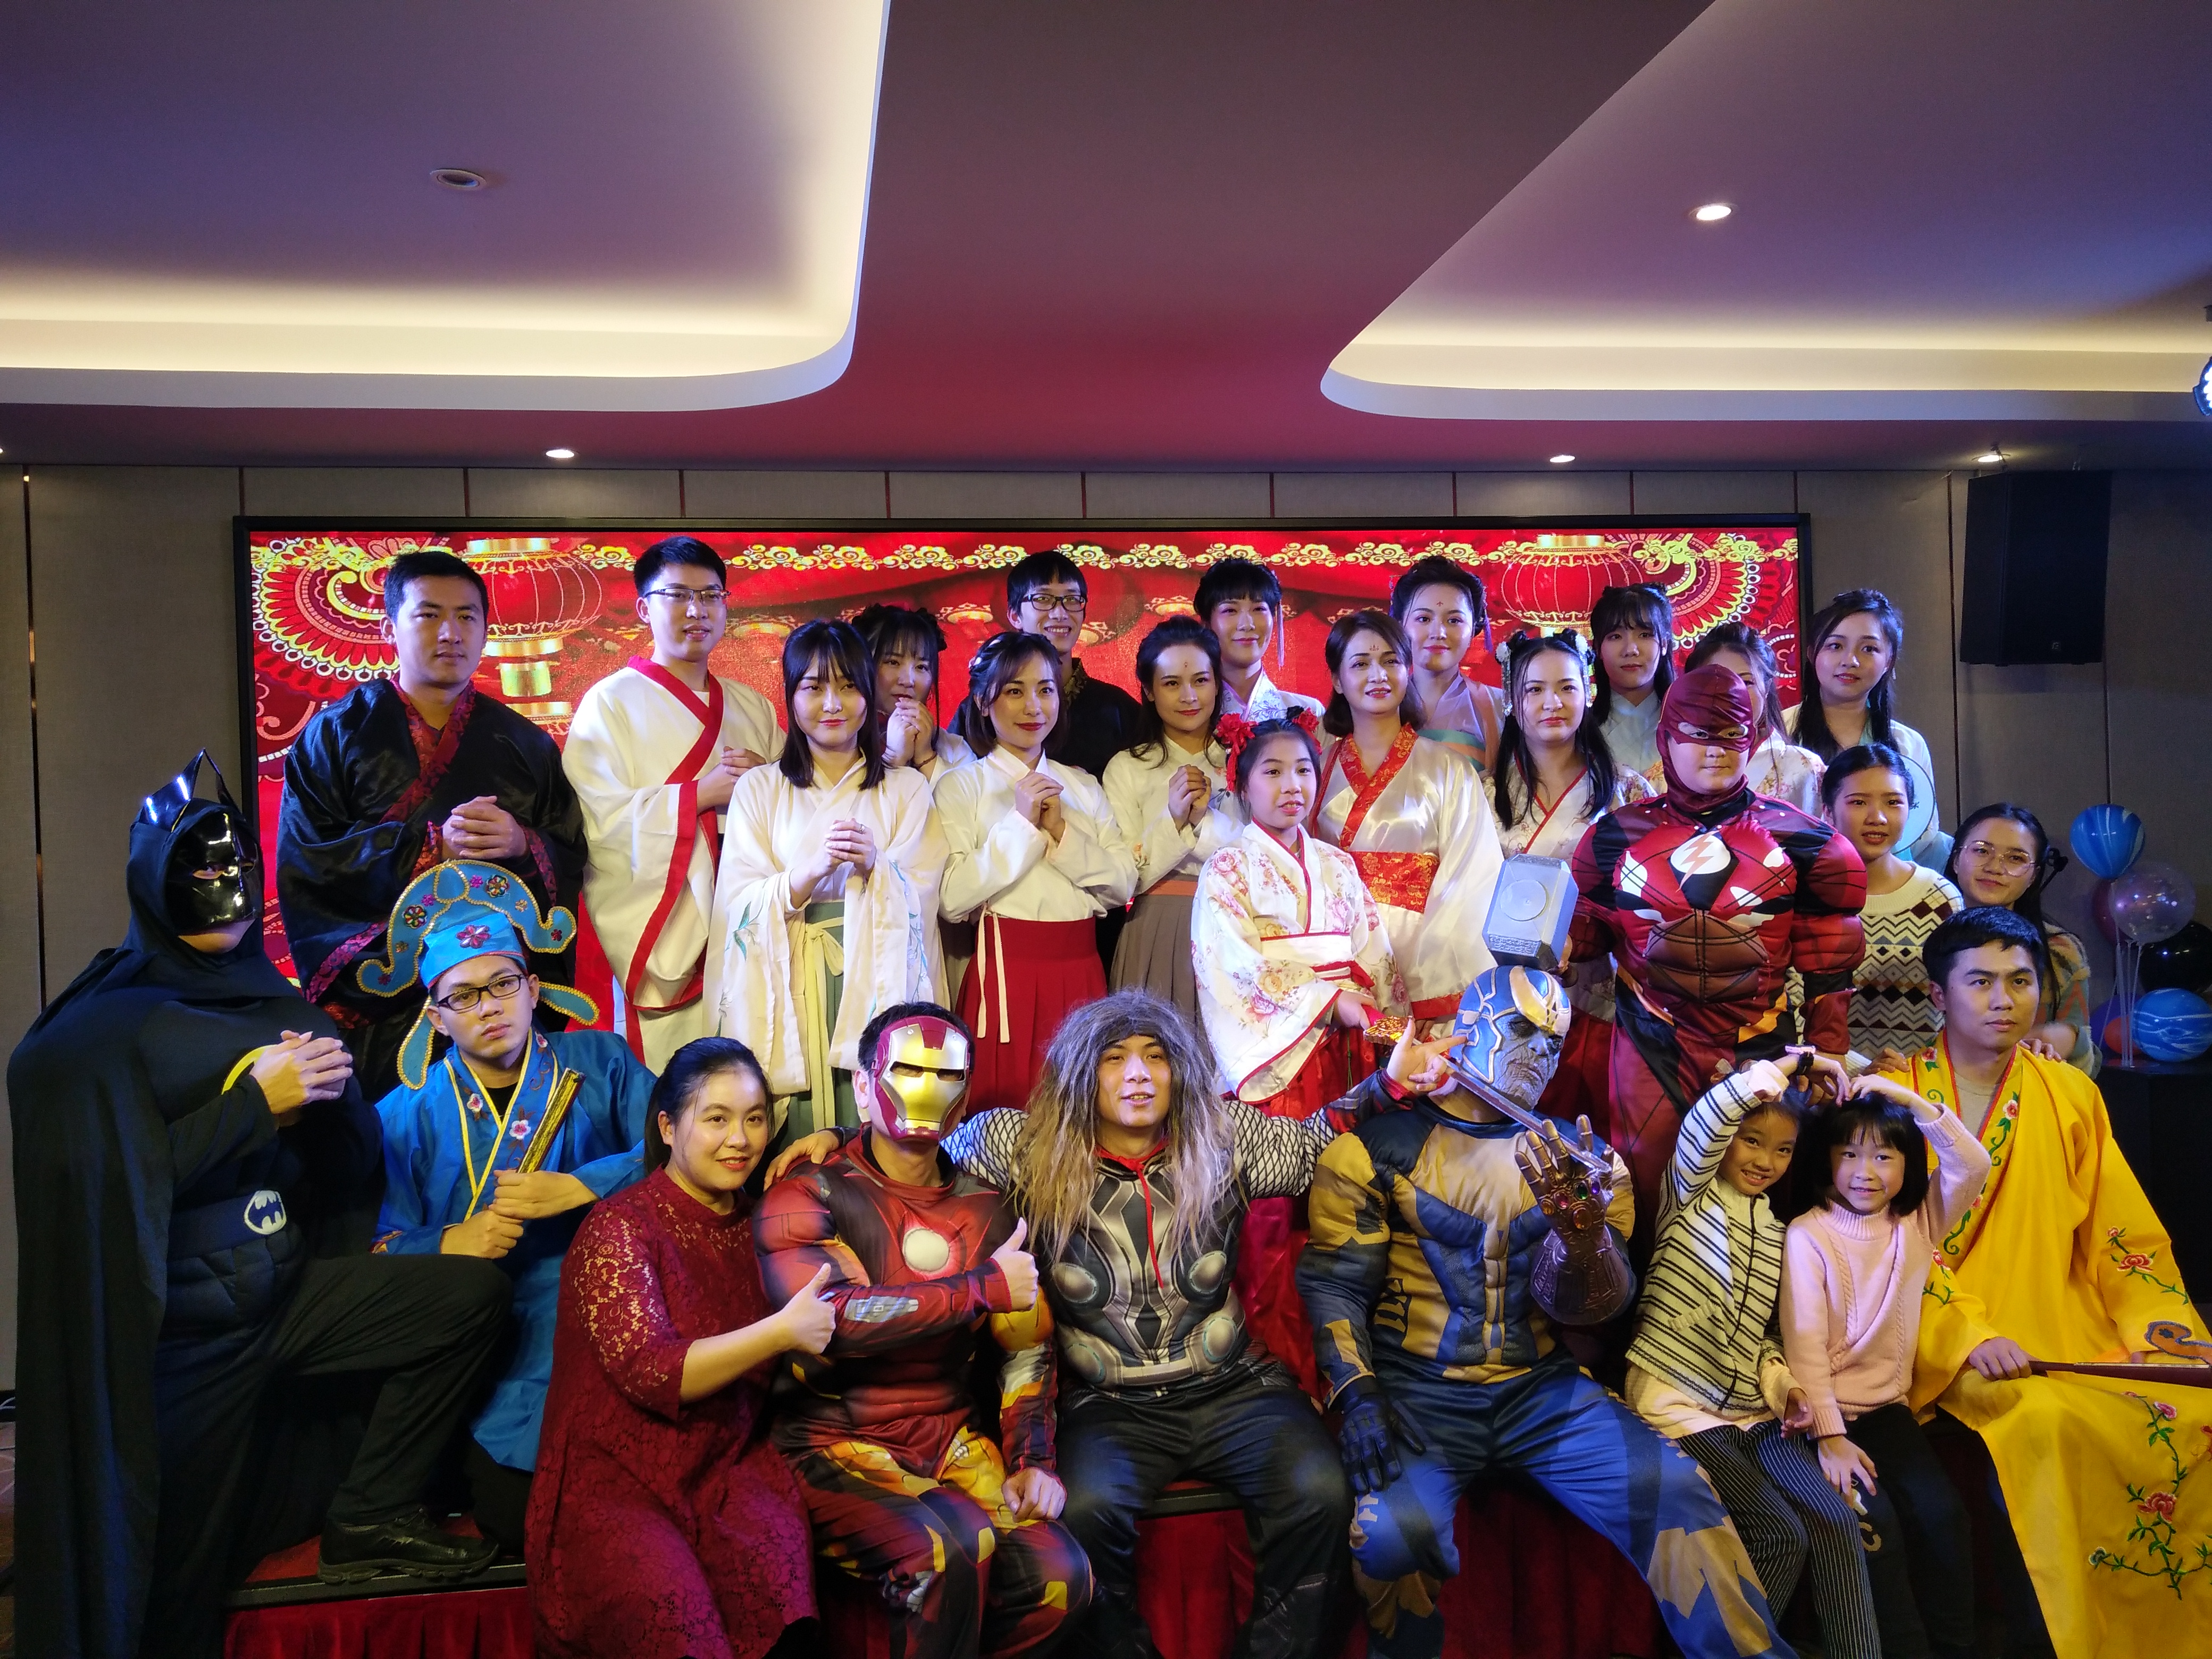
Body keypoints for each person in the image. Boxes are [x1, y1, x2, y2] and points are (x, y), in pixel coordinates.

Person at [12, 754, 512, 1659]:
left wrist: (333, 1100)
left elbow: (341, 1171)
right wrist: (252, 1107)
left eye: (237, 867)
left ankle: (372, 1511)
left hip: (285, 1297)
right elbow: (115, 1188)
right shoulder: (98, 1035)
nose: (225, 889)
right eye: (199, 870)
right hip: (185, 1342)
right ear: (154, 880)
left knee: (466, 1300)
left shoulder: (269, 997)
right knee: (171, 1580)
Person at [770, 991, 1448, 1659]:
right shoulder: (1020, 1145)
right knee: (1084, 1513)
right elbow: (918, 1145)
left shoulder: (1224, 1136)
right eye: (1114, 1058)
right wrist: (839, 1138)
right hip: (1109, 1400)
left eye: (1156, 1057)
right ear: (1079, 1072)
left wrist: (1388, 1082)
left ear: (1179, 1069)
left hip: (1233, 1387)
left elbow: (1311, 1146)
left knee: (1319, 1492)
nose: (1138, 1075)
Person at [1297, 967, 1793, 1659]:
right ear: (1469, 1030)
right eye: (1522, 1030)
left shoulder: (1587, 1160)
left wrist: (1581, 1239)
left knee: (1676, 1496)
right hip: (1418, 1396)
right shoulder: (1373, 1149)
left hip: (1540, 1389)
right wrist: (1357, 1393)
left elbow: (1596, 1309)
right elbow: (1336, 1284)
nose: (1540, 1052)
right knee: (1391, 1540)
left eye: (1554, 1041)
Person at [1896, 907, 2212, 1659]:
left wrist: (2155, 1323)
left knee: (2188, 1406)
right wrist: (1968, 1334)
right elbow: (1882, 1245)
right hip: (1944, 1332)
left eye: (2020, 980)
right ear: (1939, 995)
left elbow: (2117, 1230)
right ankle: (2050, 1641)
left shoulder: (2070, 1092)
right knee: (2039, 1422)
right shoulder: (1890, 1098)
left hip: (2064, 1319)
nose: (2003, 999)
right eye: (1980, 982)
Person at [757, 1003, 1094, 1658]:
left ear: (965, 1094)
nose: (925, 1090)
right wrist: (980, 1288)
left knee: (1061, 1579)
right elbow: (832, 1321)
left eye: (946, 1076)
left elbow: (1027, 1347)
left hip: (949, 1442)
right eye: (907, 1070)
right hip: (830, 1443)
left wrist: (1033, 1462)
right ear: (863, 1086)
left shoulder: (988, 1206)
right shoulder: (806, 1194)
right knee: (951, 1548)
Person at [366, 861, 658, 1555]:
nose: (489, 1007)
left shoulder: (602, 1062)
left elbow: (682, 1149)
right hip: (490, 1338)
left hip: (610, 1309)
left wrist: (585, 1186)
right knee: (523, 1513)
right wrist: (450, 1241)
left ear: (532, 988)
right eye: (463, 996)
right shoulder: (401, 1116)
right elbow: (375, 1248)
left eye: (502, 984)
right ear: (436, 1017)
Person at [527, 1038, 828, 1659]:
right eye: (716, 1119)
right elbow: (653, 1371)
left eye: (754, 1119)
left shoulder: (763, 1223)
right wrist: (781, 1331)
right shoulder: (619, 1227)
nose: (739, 1140)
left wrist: (839, 1134)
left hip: (729, 1467)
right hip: (617, 1484)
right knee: (676, 1626)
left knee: (788, 1617)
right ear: (668, 1127)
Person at [1571, 663, 1866, 1258]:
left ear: (1752, 740)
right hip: (1649, 1042)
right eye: (1699, 736)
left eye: (1731, 736)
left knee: (1759, 1210)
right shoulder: (1612, 838)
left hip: (1761, 1044)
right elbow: (1581, 943)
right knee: (1644, 1200)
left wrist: (1828, 1050)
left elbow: (1829, 961)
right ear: (1667, 740)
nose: (1716, 751)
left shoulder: (1806, 841)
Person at [280, 548, 586, 1099]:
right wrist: (429, 850)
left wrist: (523, 844)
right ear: (389, 628)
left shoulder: (526, 744)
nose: (451, 633)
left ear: (486, 630)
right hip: (382, 1002)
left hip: (496, 1003)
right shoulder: (335, 736)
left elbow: (568, 853)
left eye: (467, 616)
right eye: (428, 615)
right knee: (387, 1137)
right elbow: (310, 859)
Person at [1624, 1054, 1881, 1659]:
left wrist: (1787, 1389)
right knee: (1777, 1534)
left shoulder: (1775, 1231)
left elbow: (1760, 1338)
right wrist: (1798, 1062)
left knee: (1836, 1520)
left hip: (1751, 1408)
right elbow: (1707, 1121)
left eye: (1783, 1150)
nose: (1765, 1161)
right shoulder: (1689, 1195)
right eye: (1752, 1141)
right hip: (1678, 1402)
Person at [1193, 714, 1403, 1386]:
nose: (1292, 785)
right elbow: (1233, 968)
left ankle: (1349, 1368)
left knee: (1349, 1211)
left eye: (1304, 770)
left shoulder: (1337, 865)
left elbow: (1375, 959)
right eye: (1273, 771)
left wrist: (1388, 1032)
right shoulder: (1227, 869)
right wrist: (1330, 1001)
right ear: (1242, 785)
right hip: (1278, 1063)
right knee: (1276, 1223)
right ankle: (1279, 1376)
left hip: (1345, 1058)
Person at [1780, 1077, 1993, 1659]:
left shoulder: (1917, 1223)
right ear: (1826, 1160)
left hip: (1889, 1414)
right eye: (1848, 1154)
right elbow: (1803, 1344)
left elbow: (1973, 1164)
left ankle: (1955, 1649)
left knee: (1944, 1519)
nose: (1864, 1172)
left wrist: (1915, 1104)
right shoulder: (1808, 1233)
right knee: (1879, 1534)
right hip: (1828, 1422)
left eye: (1883, 1156)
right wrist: (1829, 1437)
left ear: (1906, 1165)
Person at [708, 620, 946, 1139]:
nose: (833, 704)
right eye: (814, 688)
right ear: (790, 697)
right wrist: (808, 871)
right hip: (790, 977)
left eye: (848, 686)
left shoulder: (906, 789)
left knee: (874, 1125)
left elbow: (925, 893)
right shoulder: (760, 789)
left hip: (874, 976)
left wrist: (877, 867)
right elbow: (737, 904)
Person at [563, 534, 780, 1067]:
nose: (696, 610)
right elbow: (596, 822)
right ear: (643, 608)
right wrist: (702, 795)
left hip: (744, 922)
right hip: (663, 926)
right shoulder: (609, 704)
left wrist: (768, 785)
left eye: (710, 596)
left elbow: (793, 813)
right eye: (678, 595)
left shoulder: (753, 706)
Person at [937, 630, 1137, 1112]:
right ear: (983, 702)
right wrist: (1022, 825)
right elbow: (952, 898)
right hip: (1004, 973)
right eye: (1014, 690)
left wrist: (1062, 832)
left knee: (1080, 1113)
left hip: (1080, 968)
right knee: (1000, 1117)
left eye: (1046, 689)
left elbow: (1122, 884)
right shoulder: (961, 787)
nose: (1033, 707)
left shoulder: (1083, 787)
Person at [1312, 608, 1503, 1038]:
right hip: (1335, 963)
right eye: (1361, 664)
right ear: (1338, 681)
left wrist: (1432, 985)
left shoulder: (1451, 770)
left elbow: (1471, 877)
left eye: (1390, 661)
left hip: (1420, 961)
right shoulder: (1317, 770)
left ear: (1408, 669)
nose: (1378, 675)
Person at [1487, 629, 1647, 1130]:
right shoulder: (1486, 794)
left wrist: (1586, 939)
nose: (1551, 702)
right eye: (1534, 689)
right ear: (1512, 701)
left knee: (1591, 1138)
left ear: (1588, 692)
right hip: (1509, 996)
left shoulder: (1627, 791)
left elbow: (1645, 896)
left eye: (1566, 687)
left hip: (1600, 993)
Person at [1101, 616, 1242, 1023]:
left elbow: (1263, 856)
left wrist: (1202, 821)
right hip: (1157, 925)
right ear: (1148, 690)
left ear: (1218, 683)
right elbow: (1124, 878)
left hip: (1234, 926)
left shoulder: (1245, 761)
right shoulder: (1127, 768)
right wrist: (1174, 820)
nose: (1189, 696)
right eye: (1171, 684)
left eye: (1201, 681)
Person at [1784, 589, 1947, 868]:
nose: (1851, 660)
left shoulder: (1907, 743)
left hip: (1888, 876)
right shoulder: (1780, 733)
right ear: (1812, 654)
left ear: (1889, 661)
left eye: (1869, 649)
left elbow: (1923, 834)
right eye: (1835, 646)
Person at [1825, 745, 1962, 1071]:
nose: (1878, 818)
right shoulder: (1804, 898)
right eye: (1859, 802)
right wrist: (1858, 1069)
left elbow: (1959, 1005)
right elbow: (1789, 1008)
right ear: (1828, 812)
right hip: (1825, 1083)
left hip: (1922, 1082)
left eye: (1893, 802)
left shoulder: (1940, 899)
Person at [1942, 802, 2098, 1075]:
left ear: (2034, 875)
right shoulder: (1919, 937)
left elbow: (2087, 1061)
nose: (1995, 867)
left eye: (2015, 858)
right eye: (1982, 851)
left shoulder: (2060, 950)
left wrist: (2065, 1038)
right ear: (1956, 859)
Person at [1007, 547, 1141, 781]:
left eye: (1071, 600)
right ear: (1015, 616)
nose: (1060, 614)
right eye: (1043, 599)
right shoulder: (991, 706)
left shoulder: (1118, 709)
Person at [1683, 622, 1826, 814]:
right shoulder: (1665, 773)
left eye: (1746, 682)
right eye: (1716, 681)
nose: (1731, 693)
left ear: (1766, 688)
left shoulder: (1804, 769)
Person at [1391, 554, 1506, 773]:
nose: (1439, 633)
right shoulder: (1377, 703)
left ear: (1474, 628)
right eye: (1424, 619)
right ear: (1400, 625)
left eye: (1454, 620)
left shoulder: (1500, 707)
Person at [1196, 554, 1325, 725]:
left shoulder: (1309, 713)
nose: (1247, 625)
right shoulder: (1191, 714)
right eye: (1230, 611)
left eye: (1258, 609)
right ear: (1207, 623)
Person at [854, 601, 976, 781]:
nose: (908, 681)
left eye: (921, 667)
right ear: (864, 665)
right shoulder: (841, 743)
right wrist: (895, 758)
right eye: (893, 662)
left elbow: (966, 800)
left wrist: (925, 756)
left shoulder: (955, 749)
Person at [1590, 582, 1675, 788]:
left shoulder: (1690, 728)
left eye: (1645, 635)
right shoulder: (1579, 733)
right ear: (1598, 648)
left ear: (1664, 644)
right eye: (1615, 636)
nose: (1631, 650)